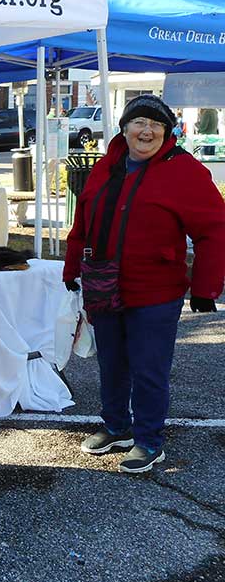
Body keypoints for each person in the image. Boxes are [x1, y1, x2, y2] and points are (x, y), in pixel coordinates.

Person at [64, 95, 225, 473]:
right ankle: (117, 426)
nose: (146, 130)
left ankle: (150, 440)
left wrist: (204, 288)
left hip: (155, 289)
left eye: (156, 125)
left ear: (167, 132)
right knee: (112, 362)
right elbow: (83, 222)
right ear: (124, 128)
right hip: (104, 283)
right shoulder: (107, 166)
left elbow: (214, 231)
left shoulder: (184, 171)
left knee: (148, 367)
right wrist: (71, 268)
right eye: (139, 122)